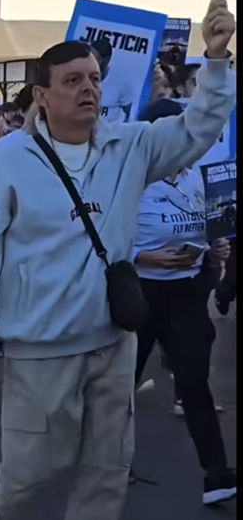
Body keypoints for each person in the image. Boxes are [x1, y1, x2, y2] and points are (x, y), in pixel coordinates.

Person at [0, 0, 236, 520]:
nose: (88, 88)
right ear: (42, 96)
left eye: (93, 78)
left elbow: (197, 129)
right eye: (72, 80)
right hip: (40, 351)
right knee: (26, 476)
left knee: (106, 475)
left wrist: (216, 59)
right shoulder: (6, 167)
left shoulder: (130, 147)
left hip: (113, 345)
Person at [131, 159, 236, 505]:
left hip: (185, 295)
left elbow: (209, 232)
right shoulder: (133, 175)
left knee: (194, 384)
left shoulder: (196, 180)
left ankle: (216, 475)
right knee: (119, 386)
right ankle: (105, 461)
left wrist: (215, 251)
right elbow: (102, 235)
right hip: (139, 294)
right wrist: (143, 257)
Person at [90, 37, 136, 124]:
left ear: (106, 59)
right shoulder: (81, 78)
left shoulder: (121, 84)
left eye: (96, 58)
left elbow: (129, 113)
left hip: (108, 130)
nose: (91, 62)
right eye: (89, 57)